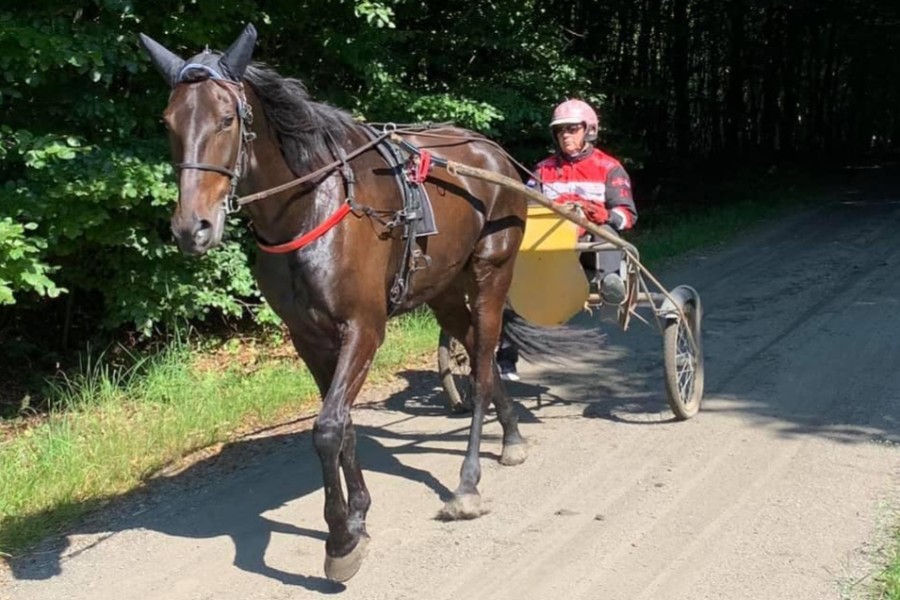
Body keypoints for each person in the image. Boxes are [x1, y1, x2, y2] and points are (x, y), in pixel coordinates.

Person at [497, 99, 638, 382]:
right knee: (512, 288)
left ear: (589, 131)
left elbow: (627, 215)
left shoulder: (609, 167)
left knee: (609, 235)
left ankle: (611, 283)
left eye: (572, 129)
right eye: (561, 131)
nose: (566, 135)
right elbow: (526, 205)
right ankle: (505, 359)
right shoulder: (543, 169)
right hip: (547, 245)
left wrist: (603, 215)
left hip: (589, 245)